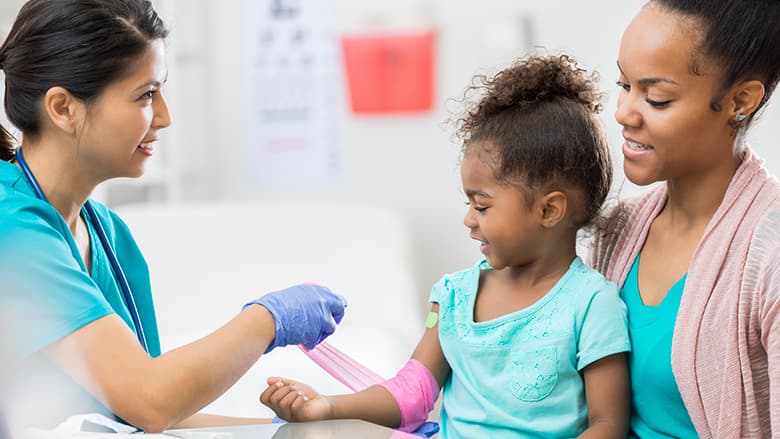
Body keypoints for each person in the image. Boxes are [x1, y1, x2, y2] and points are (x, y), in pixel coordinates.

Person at [0, 0, 347, 434]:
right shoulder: (9, 228)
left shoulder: (109, 235)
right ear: (64, 108)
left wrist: (301, 427)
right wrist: (269, 319)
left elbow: (142, 412)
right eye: (145, 95)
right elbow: (153, 402)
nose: (164, 117)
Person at [260, 55, 631, 438]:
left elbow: (608, 425)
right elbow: (412, 394)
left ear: (549, 209)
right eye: (468, 204)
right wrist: (327, 406)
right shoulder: (454, 297)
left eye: (482, 205)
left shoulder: (592, 305)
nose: (469, 219)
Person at [588, 0, 780, 437]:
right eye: (624, 84)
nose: (624, 113)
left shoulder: (770, 258)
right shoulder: (615, 232)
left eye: (657, 98)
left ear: (740, 101)